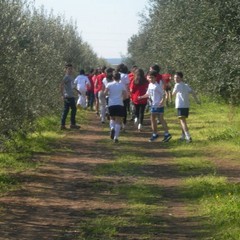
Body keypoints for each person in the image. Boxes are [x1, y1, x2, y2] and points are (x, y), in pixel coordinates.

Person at [139, 70, 172, 142]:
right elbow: (148, 94)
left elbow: (163, 94)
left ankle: (156, 134)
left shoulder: (157, 86)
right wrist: (141, 97)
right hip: (153, 105)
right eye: (149, 78)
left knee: (156, 119)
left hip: (157, 105)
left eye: (152, 78)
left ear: (155, 78)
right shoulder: (150, 85)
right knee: (158, 119)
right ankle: (165, 134)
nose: (150, 79)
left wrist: (162, 101)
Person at [172, 72, 200, 143]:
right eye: (175, 77)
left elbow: (173, 94)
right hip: (186, 106)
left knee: (182, 121)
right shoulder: (186, 85)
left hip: (180, 105)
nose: (175, 79)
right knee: (182, 121)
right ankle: (183, 136)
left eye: (177, 77)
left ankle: (188, 137)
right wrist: (197, 100)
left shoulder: (177, 85)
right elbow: (192, 92)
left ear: (181, 78)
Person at [104, 71, 127, 143]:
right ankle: (116, 138)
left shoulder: (109, 84)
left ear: (113, 77)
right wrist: (121, 99)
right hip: (119, 104)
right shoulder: (122, 85)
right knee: (118, 121)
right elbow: (125, 96)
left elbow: (105, 93)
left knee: (112, 118)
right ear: (120, 78)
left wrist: (109, 95)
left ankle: (112, 128)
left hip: (111, 104)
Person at [60, 63, 80, 130]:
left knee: (68, 110)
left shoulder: (71, 77)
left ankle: (64, 124)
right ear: (65, 70)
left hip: (71, 96)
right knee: (71, 109)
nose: (70, 70)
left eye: (71, 69)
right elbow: (61, 85)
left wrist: (77, 91)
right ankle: (71, 124)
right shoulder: (66, 77)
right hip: (68, 96)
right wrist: (62, 95)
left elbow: (72, 86)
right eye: (69, 69)